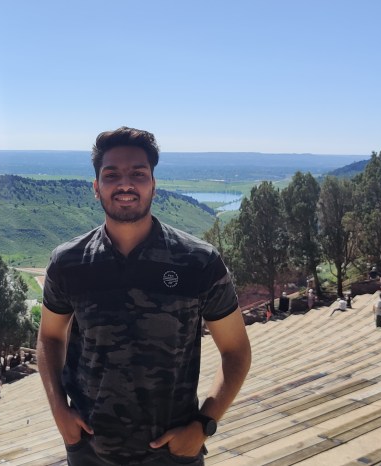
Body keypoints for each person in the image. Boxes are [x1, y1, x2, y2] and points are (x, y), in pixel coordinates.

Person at [37, 127, 252, 465]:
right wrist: (59, 411)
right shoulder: (69, 263)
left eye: (138, 174)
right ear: (96, 188)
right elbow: (49, 337)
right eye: (112, 175)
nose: (125, 184)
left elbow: (236, 350)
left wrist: (204, 424)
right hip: (89, 452)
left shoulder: (198, 262)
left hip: (173, 454)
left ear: (153, 184)